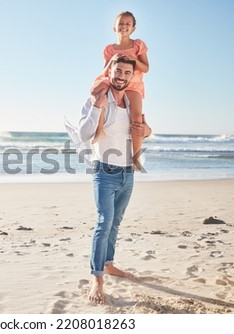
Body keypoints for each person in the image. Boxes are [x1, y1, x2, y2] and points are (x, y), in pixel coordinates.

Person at [66, 55, 151, 304]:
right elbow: (83, 134)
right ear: (110, 71)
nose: (121, 76)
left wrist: (147, 131)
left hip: (128, 171)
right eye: (118, 71)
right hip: (104, 171)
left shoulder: (132, 104)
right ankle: (97, 278)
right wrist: (96, 106)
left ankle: (109, 264)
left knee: (116, 223)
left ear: (132, 76)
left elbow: (144, 129)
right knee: (104, 222)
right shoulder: (98, 99)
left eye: (127, 73)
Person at [91, 11, 149, 171]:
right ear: (114, 27)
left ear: (133, 28)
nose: (124, 26)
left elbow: (146, 68)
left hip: (133, 83)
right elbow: (105, 72)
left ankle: (135, 157)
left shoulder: (138, 45)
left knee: (136, 117)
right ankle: (99, 130)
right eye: (120, 23)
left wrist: (133, 60)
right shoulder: (109, 49)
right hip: (113, 79)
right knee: (97, 90)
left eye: (127, 24)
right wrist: (112, 62)